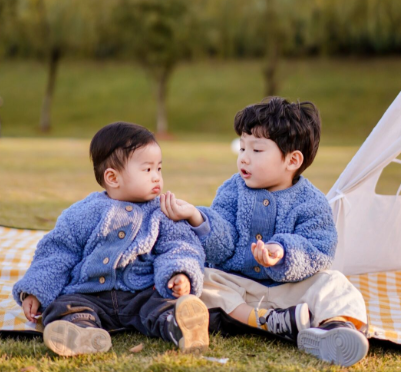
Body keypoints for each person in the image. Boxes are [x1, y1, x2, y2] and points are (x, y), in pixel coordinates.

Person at [160, 97, 369, 367]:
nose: (244, 158)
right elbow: (222, 243)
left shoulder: (311, 201)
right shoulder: (232, 189)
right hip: (239, 286)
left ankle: (336, 329)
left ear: (292, 160)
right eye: (242, 148)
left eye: (256, 150)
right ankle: (267, 322)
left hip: (289, 290)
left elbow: (320, 249)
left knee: (334, 283)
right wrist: (198, 217)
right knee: (201, 278)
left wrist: (283, 252)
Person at [13, 122, 209, 357]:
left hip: (141, 293)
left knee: (164, 306)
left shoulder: (164, 211)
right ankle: (82, 333)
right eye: (147, 170)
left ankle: (180, 327)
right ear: (112, 178)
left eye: (159, 168)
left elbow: (180, 245)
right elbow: (57, 251)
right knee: (63, 307)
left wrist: (179, 274)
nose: (157, 177)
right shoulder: (83, 213)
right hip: (89, 293)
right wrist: (35, 291)